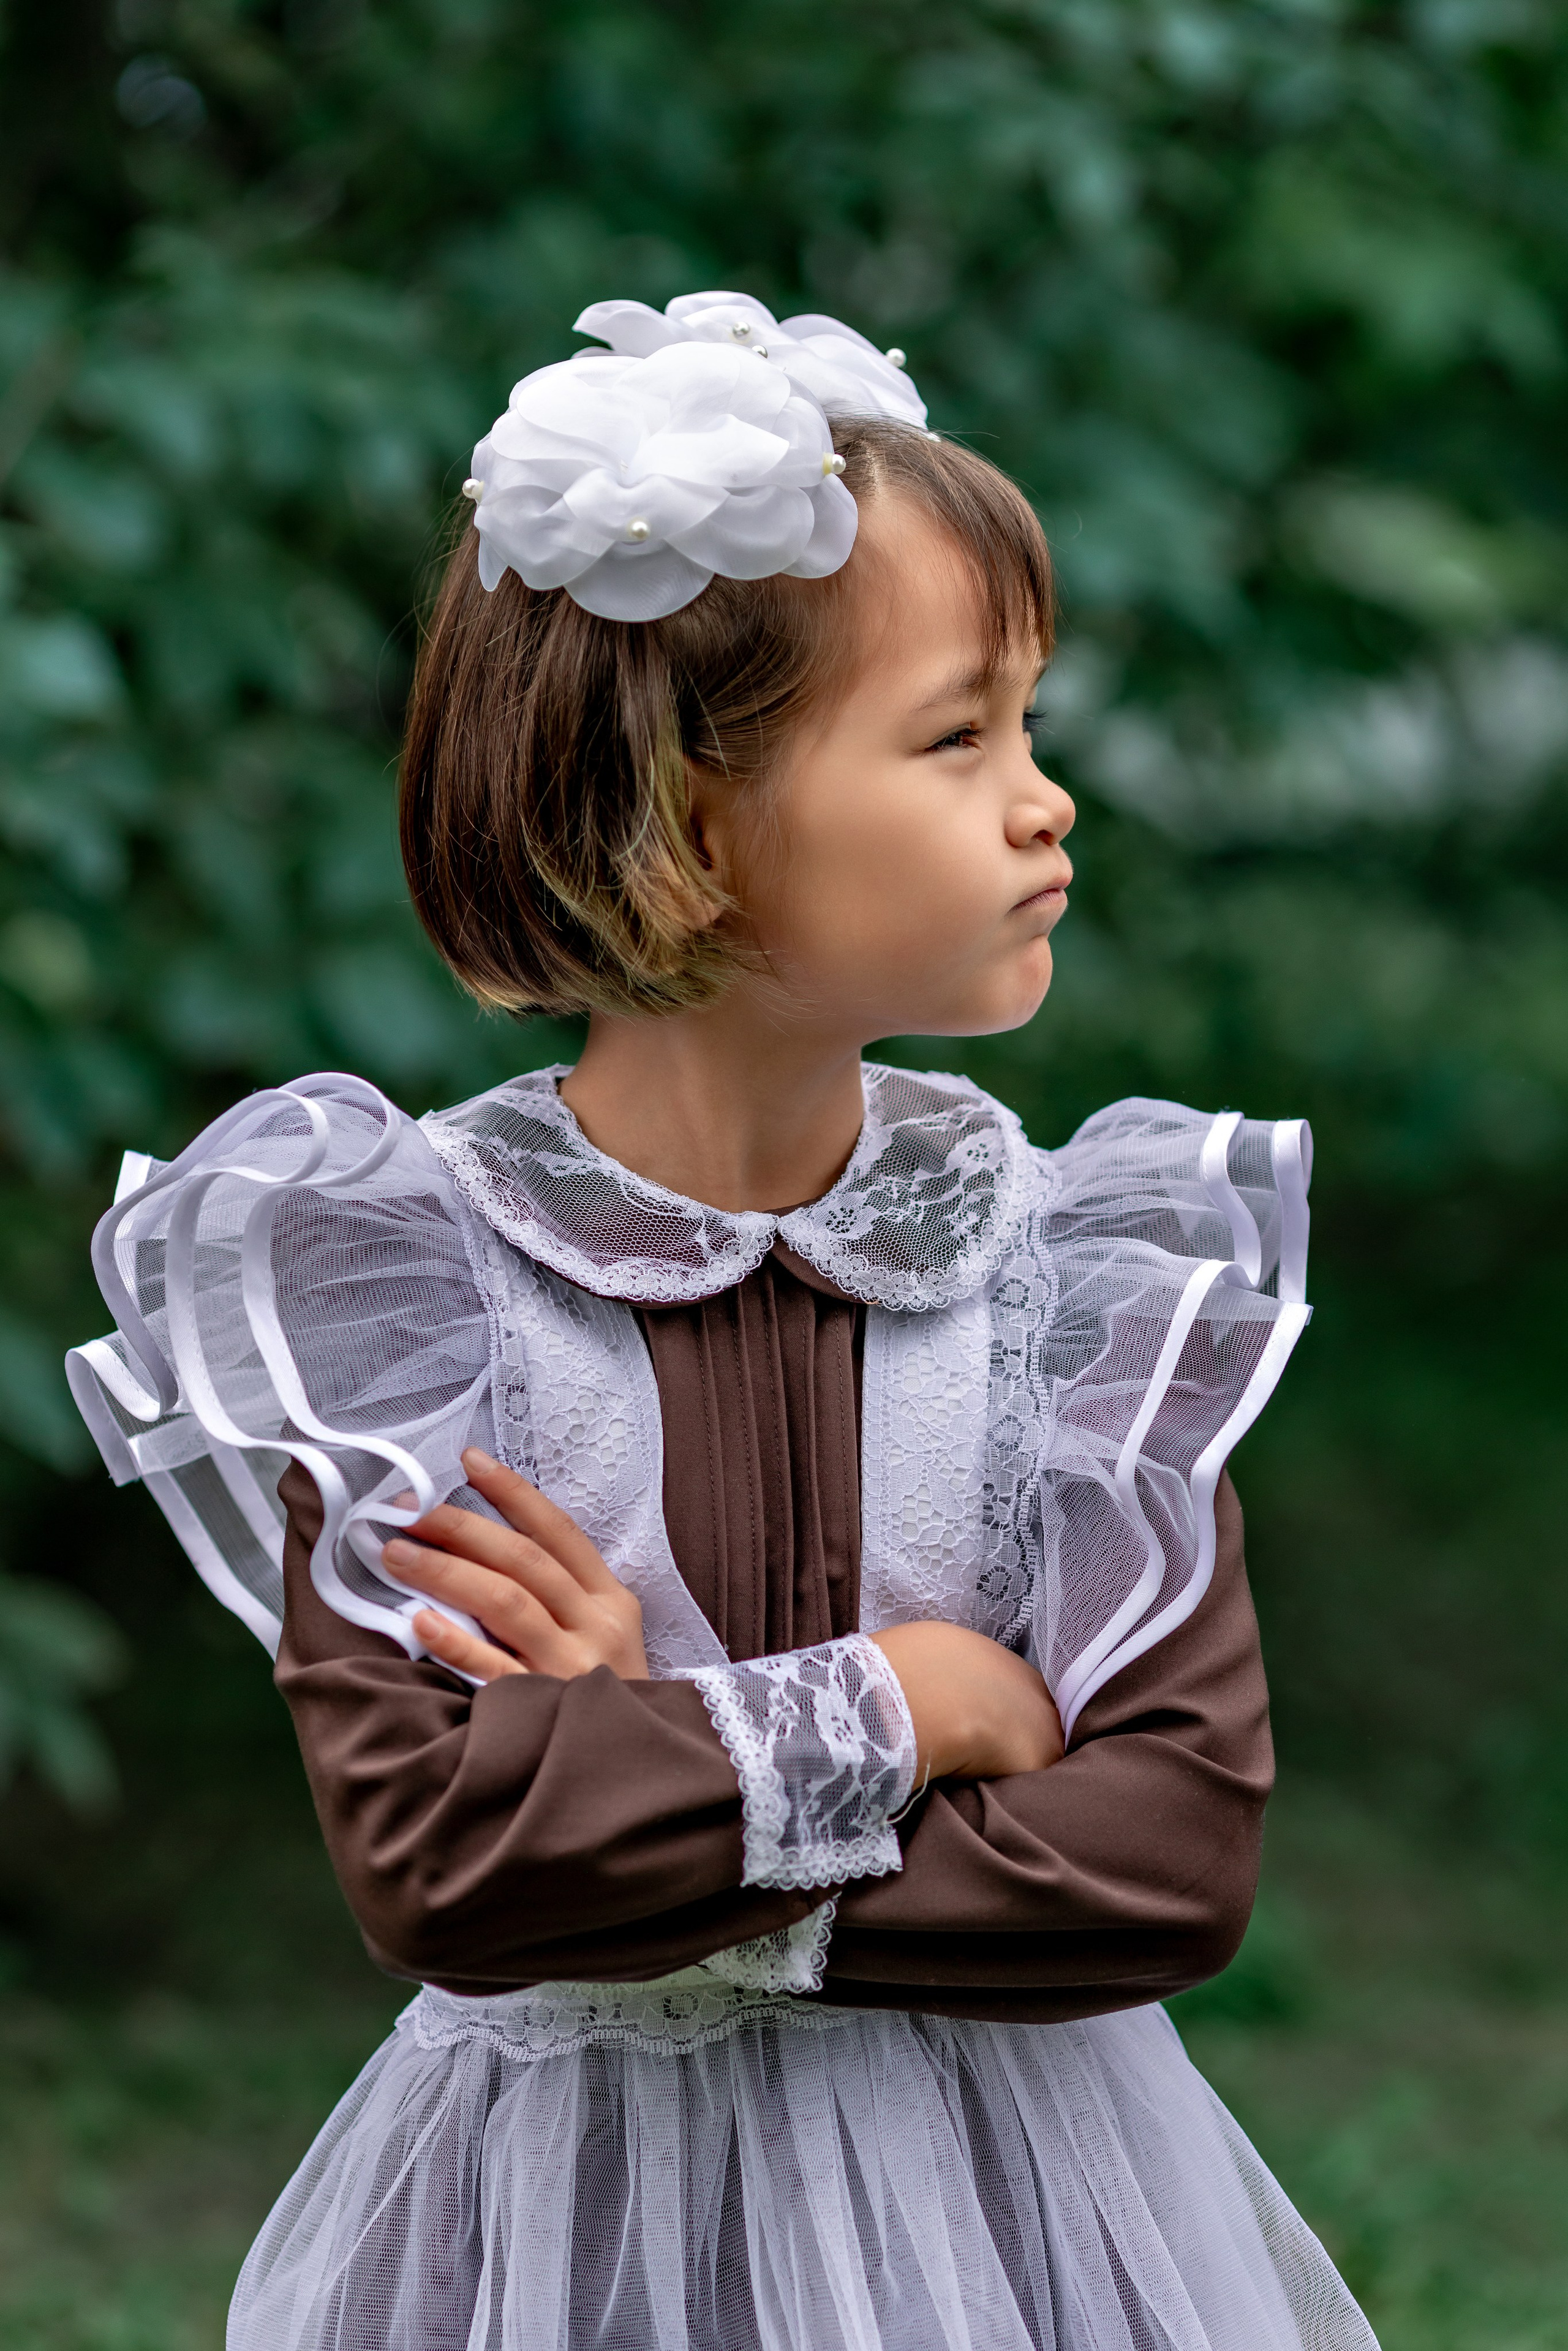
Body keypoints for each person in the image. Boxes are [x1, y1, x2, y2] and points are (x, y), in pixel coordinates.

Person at [70, 291, 1374, 2350]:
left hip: (1028, 2237)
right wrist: (925, 1701)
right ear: (683, 826)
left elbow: (1168, 1859)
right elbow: (452, 1876)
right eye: (959, 737)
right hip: (555, 2247)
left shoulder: (1073, 1277)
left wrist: (643, 1763)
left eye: (1026, 726)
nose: (1045, 802)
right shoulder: (400, 1295)